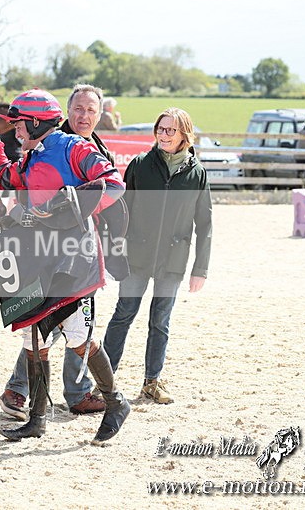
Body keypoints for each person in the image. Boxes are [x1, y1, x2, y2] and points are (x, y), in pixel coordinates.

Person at [0, 89, 130, 445]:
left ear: (35, 122)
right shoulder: (33, 155)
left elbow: (113, 185)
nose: (15, 131)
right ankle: (36, 419)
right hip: (41, 255)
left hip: (74, 256)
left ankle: (116, 404)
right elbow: (6, 175)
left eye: (18, 125)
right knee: (35, 334)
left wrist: (73, 208)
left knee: (78, 336)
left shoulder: (74, 147)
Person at [103, 107, 212, 405]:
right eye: (160, 129)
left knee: (160, 321)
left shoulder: (197, 174)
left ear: (184, 135)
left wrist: (200, 268)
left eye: (170, 130)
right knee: (123, 315)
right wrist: (114, 251)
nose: (163, 135)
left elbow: (205, 224)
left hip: (173, 260)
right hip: (136, 255)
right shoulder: (140, 165)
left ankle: (152, 382)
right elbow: (122, 211)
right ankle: (104, 381)